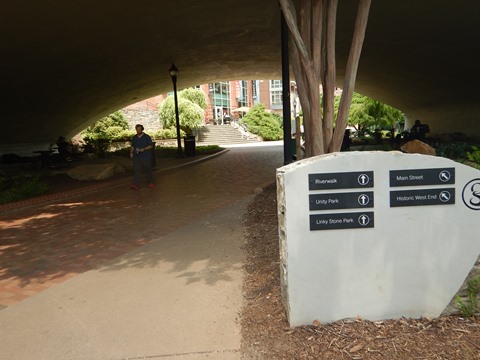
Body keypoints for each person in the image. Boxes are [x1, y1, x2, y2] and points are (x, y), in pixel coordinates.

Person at [130, 124, 155, 190]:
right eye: (137, 129)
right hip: (137, 157)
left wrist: (144, 149)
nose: (138, 131)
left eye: (139, 129)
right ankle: (136, 184)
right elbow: (132, 146)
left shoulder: (147, 137)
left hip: (146, 157)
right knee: (136, 170)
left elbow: (151, 146)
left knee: (148, 169)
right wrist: (131, 152)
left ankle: (150, 182)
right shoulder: (134, 137)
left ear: (142, 129)